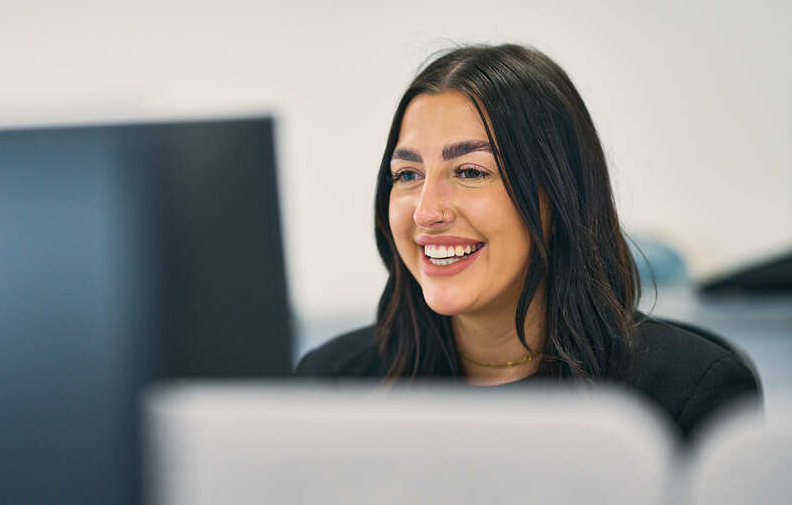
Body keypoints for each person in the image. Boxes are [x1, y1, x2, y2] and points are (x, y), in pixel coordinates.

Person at [295, 44, 760, 441]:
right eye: (408, 175)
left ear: (559, 197)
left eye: (471, 172)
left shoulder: (686, 393)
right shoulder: (333, 388)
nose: (427, 211)